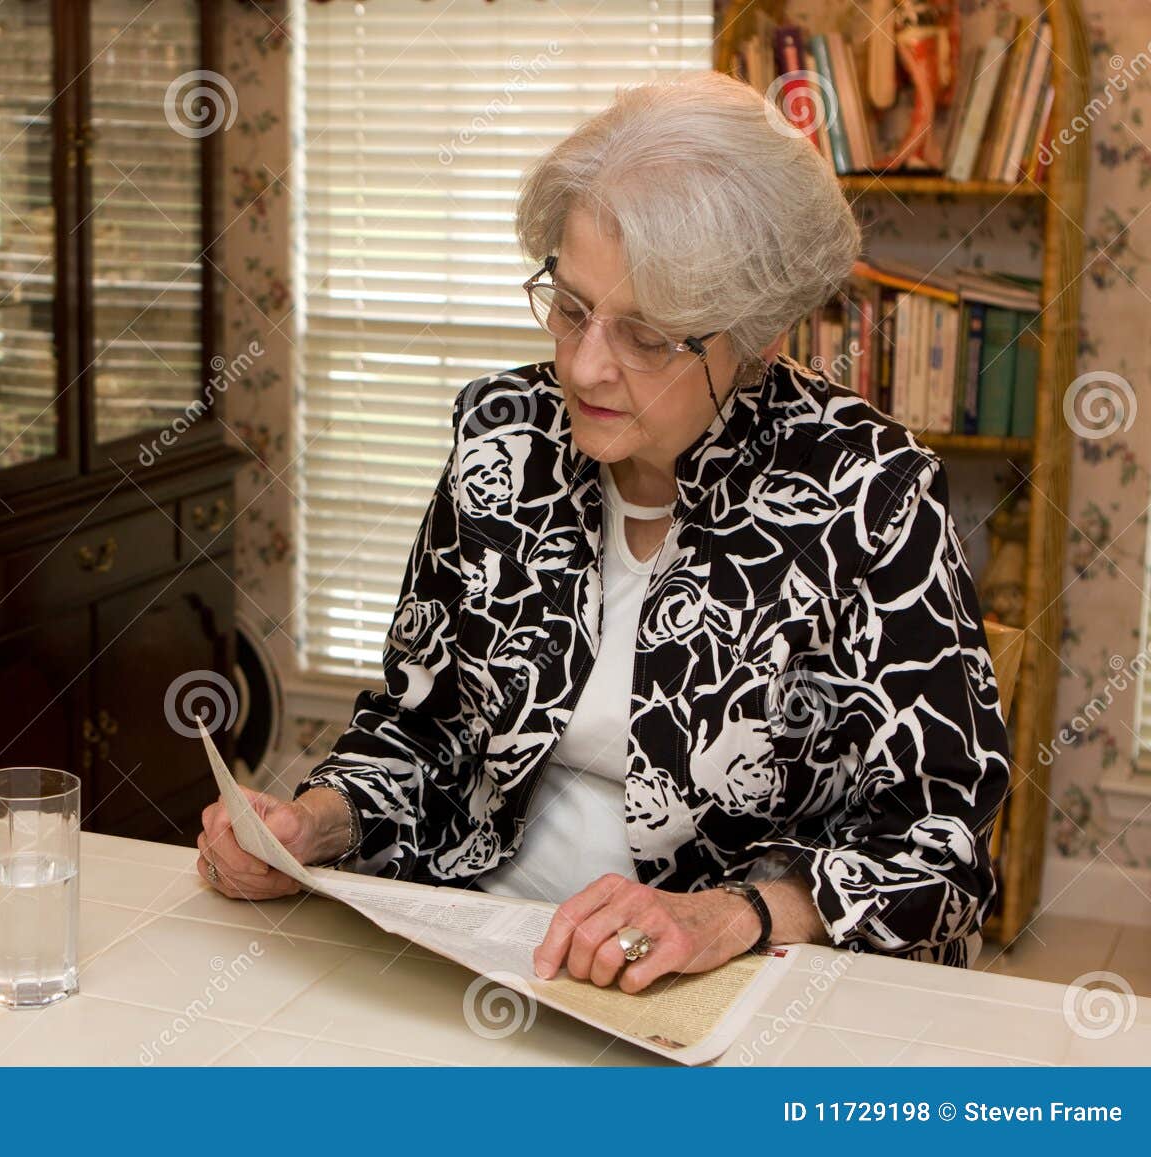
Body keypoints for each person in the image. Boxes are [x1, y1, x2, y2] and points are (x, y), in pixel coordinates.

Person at [196, 71, 1010, 993]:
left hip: (728, 976)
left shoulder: (869, 490)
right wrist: (315, 821)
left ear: (759, 336)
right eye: (573, 307)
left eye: (649, 336)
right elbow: (425, 728)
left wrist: (730, 915)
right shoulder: (504, 437)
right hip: (481, 936)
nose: (585, 365)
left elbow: (941, 853)